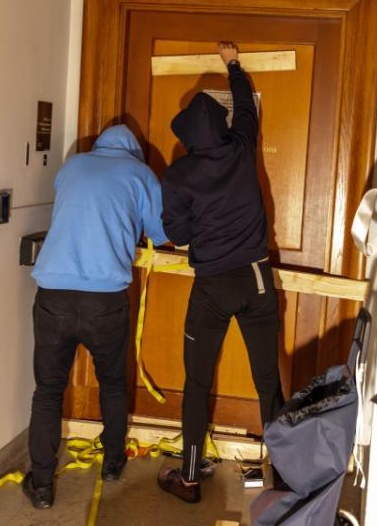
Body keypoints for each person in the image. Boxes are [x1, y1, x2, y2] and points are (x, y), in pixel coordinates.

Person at [157, 41, 284, 503]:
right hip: (255, 278)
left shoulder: (178, 175)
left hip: (212, 286)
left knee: (197, 381)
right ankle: (286, 476)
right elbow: (247, 106)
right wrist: (232, 63)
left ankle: (188, 478)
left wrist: (196, 225)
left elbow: (178, 233)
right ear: (223, 126)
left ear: (187, 134)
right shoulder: (241, 146)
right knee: (267, 380)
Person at [23, 124, 167, 509]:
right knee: (113, 384)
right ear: (135, 152)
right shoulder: (141, 174)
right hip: (105, 300)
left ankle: (40, 486)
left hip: (54, 293)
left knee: (48, 391)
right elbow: (162, 231)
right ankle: (113, 464)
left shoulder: (73, 165)